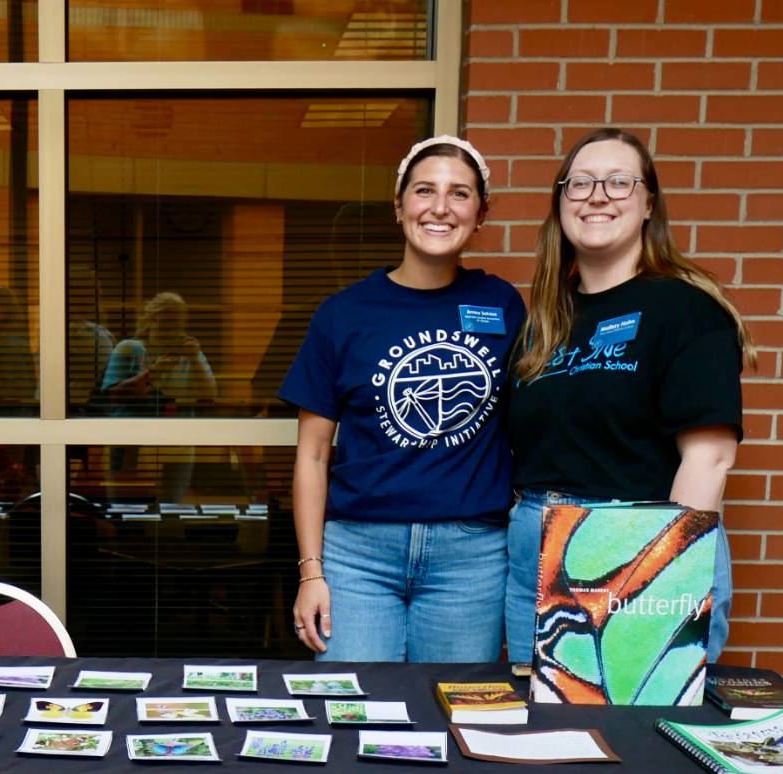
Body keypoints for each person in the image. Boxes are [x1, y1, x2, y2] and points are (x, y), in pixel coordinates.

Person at [502, 127, 756, 666]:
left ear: (648, 205)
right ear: (560, 203)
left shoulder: (687, 310)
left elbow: (708, 457)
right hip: (536, 545)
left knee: (638, 733)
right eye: (581, 183)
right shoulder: (545, 323)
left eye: (619, 182)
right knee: (542, 731)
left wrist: (659, 573)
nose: (598, 195)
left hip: (641, 544)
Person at [280, 135, 523, 662]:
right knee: (350, 714)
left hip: (472, 558)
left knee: (452, 714)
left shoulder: (502, 306)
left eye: (459, 194)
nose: (440, 207)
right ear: (399, 205)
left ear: (480, 213)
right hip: (358, 556)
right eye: (424, 191)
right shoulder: (343, 314)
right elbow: (313, 454)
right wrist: (311, 571)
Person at [102, 292, 217, 415]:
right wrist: (153, 373)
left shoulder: (190, 354)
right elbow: (112, 397)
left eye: (176, 326)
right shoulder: (129, 348)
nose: (170, 332)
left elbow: (209, 396)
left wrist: (194, 360)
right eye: (165, 325)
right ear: (150, 320)